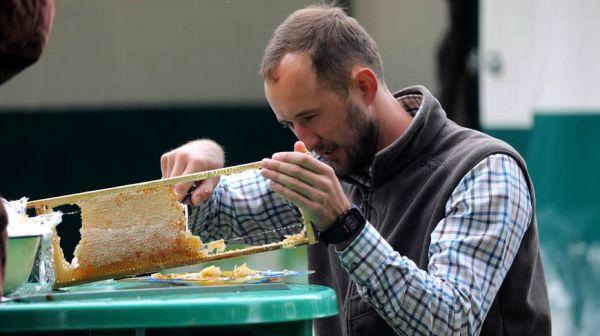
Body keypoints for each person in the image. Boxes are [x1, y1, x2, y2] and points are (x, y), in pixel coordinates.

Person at [161, 4, 550, 335]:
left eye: (311, 116)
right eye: (290, 125)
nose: (306, 140)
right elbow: (205, 220)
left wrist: (345, 227)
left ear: (364, 87)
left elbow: (450, 323)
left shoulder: (484, 170)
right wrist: (201, 164)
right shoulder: (331, 165)